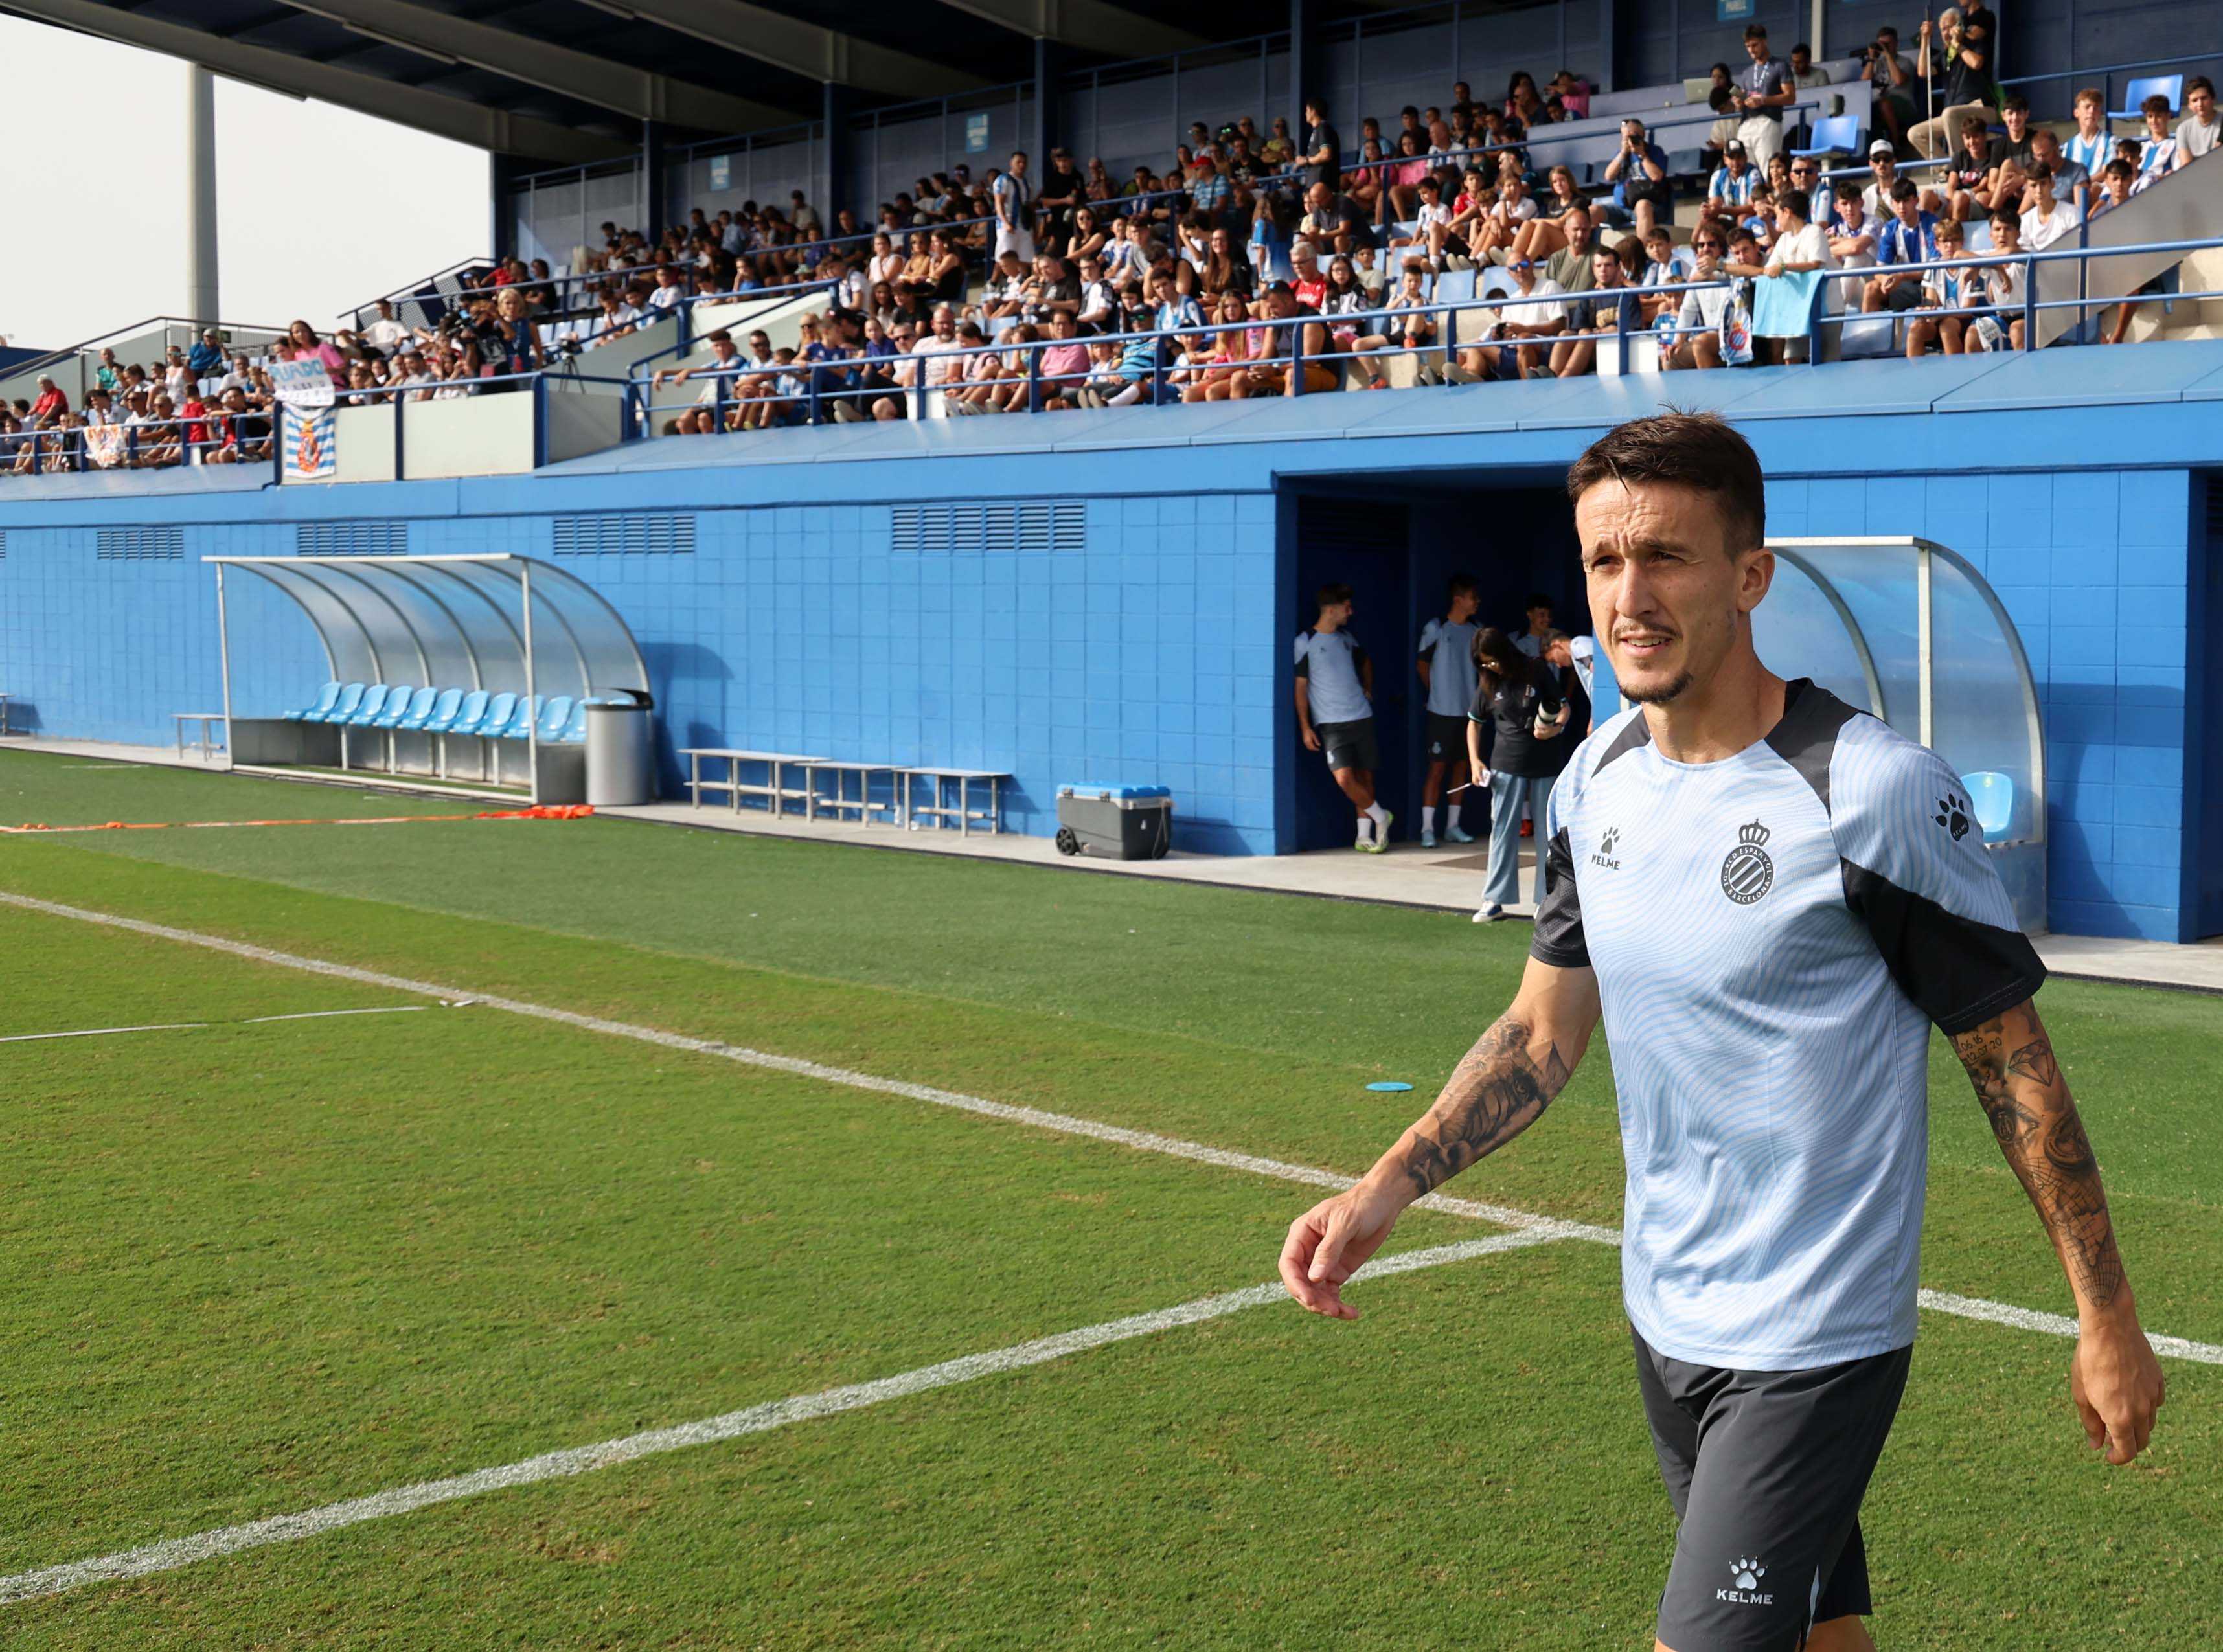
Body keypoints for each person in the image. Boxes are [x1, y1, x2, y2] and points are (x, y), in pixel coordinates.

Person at [1278, 410, 2165, 1652]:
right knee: (1821, 1631)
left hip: (1813, 1334)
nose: (1627, 596)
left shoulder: (1870, 790)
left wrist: (2104, 1314)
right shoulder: (1593, 782)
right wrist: (1384, 1186)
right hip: (1668, 1310)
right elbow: (1539, 1033)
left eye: (1665, 557)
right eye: (1603, 560)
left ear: (1749, 576)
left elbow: (2010, 1064)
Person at [1462, 625, 1568, 920]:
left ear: (1504, 652)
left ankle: (1546, 900)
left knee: (1547, 834)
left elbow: (1563, 707)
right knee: (1502, 831)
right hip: (1505, 763)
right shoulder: (1488, 683)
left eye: (1493, 661)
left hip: (1545, 762)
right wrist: (1475, 761)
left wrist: (1556, 728)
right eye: (1484, 664)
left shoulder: (1536, 669)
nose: (1490, 667)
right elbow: (1473, 723)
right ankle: (1494, 900)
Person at [1295, 583, 1392, 852]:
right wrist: (1305, 727)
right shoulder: (1305, 642)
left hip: (1361, 716)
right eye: (1346, 608)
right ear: (1331, 610)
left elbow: (1366, 662)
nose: (1351, 612)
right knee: (1345, 779)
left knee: (1366, 777)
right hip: (1331, 724)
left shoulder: (1348, 638)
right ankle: (1381, 817)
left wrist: (1367, 688)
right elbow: (1300, 687)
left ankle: (1364, 837)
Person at [1415, 576, 1482, 848]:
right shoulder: (1436, 628)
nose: (1477, 602)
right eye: (1473, 598)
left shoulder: (1477, 630)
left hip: (1468, 713)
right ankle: (1427, 829)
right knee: (1437, 768)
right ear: (1458, 600)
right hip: (1440, 712)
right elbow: (1422, 664)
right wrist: (1436, 693)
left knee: (1462, 767)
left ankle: (1453, 826)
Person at [1910, 6, 1999, 160]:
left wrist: (1958, 45)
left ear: (1960, 27)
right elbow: (1923, 72)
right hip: (1953, 115)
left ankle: (1959, 166)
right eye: (1943, 30)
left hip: (1981, 107)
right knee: (1916, 133)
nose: (1946, 33)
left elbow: (1976, 63)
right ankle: (1946, 168)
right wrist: (1925, 39)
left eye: (1950, 27)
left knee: (1949, 114)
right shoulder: (1944, 56)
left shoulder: (1974, 44)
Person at [1729, 24, 1796, 169]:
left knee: (1768, 168)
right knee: (1745, 169)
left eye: (1755, 45)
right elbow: (1744, 103)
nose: (1751, 50)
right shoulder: (1747, 72)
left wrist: (1763, 100)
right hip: (1746, 124)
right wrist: (1739, 103)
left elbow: (1790, 97)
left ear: (1764, 41)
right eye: (1748, 46)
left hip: (1769, 121)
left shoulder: (1780, 65)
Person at [993, 152, 1035, 264]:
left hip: (1025, 226)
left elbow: (1030, 207)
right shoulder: (1003, 180)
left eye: (1024, 163)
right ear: (1011, 163)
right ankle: (993, 277)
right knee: (1005, 258)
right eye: (1018, 162)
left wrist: (1034, 228)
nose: (1022, 165)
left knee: (1026, 259)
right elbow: (999, 204)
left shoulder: (1027, 184)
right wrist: (1005, 223)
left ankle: (1023, 275)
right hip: (1008, 225)